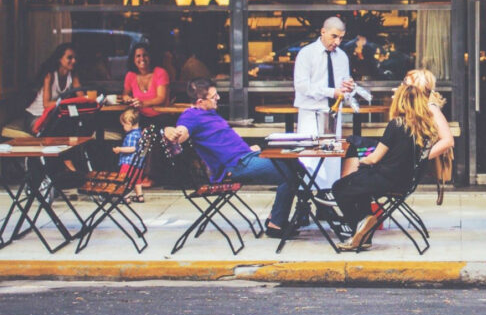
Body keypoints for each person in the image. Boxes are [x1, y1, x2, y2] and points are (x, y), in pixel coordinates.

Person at [330, 69, 454, 251]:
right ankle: (363, 231)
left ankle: (360, 226)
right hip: (405, 180)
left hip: (390, 178)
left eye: (406, 84)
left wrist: (362, 163)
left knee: (341, 186)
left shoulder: (401, 122)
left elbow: (374, 159)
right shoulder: (423, 124)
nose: (401, 87)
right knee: (360, 184)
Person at [164, 78, 298, 239]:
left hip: (246, 156)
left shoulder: (210, 113)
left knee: (294, 164)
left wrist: (248, 149)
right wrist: (170, 131)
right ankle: (276, 224)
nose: (218, 98)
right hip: (236, 166)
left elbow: (223, 141)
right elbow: (181, 132)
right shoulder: (191, 116)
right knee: (291, 171)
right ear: (200, 101)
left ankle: (275, 219)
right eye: (214, 97)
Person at [293, 17, 354, 188]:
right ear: (323, 31)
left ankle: (325, 200)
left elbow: (343, 86)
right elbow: (302, 85)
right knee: (308, 158)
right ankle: (304, 205)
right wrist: (331, 91)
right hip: (310, 113)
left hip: (333, 115)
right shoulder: (307, 53)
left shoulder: (342, 57)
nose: (337, 42)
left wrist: (349, 87)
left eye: (341, 38)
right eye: (334, 36)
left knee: (331, 159)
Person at [25, 42, 84, 131]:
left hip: (53, 117)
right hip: (36, 115)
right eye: (69, 58)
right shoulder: (50, 75)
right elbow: (47, 104)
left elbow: (82, 99)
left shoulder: (73, 75)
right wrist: (69, 102)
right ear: (60, 59)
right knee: (49, 131)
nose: (74, 61)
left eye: (75, 58)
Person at [122, 41, 171, 119]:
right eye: (138, 56)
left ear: (150, 57)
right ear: (133, 60)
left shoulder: (160, 72)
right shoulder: (130, 75)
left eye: (145, 55)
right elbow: (125, 94)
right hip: (139, 117)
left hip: (160, 116)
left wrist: (143, 103)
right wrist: (127, 99)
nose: (142, 58)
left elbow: (161, 98)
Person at [113, 108, 145, 203]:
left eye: (123, 125)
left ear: (129, 124)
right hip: (138, 163)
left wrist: (120, 149)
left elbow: (132, 148)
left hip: (129, 162)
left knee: (124, 180)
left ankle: (125, 196)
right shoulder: (140, 133)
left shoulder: (131, 135)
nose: (123, 128)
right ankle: (140, 196)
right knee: (137, 180)